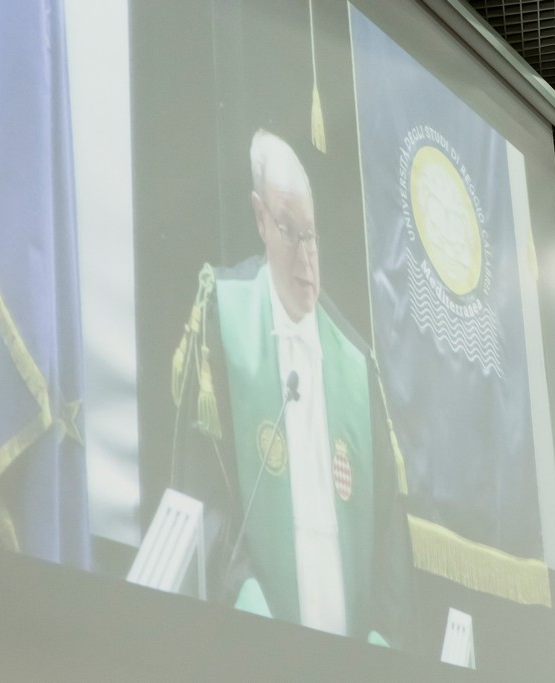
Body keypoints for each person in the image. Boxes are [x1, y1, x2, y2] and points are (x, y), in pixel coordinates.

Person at [170, 129, 410, 644]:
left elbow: (390, 527)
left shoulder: (355, 362)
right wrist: (243, 596)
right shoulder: (222, 316)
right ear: (260, 218)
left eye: (312, 235)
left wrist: (383, 637)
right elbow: (203, 490)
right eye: (288, 230)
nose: (306, 259)